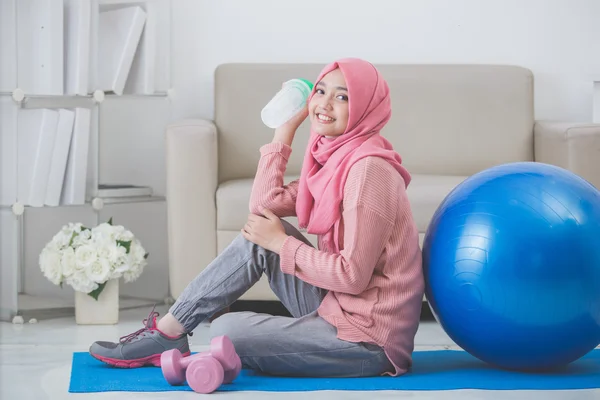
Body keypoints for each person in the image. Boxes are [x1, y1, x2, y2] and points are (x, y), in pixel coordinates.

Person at [89, 58, 425, 378]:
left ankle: (172, 334)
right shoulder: (336, 160)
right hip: (338, 307)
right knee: (258, 238)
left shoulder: (368, 171)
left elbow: (352, 276)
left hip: (367, 339)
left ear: (366, 107)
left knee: (227, 331)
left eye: (342, 97)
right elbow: (264, 204)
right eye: (320, 91)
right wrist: (284, 132)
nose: (324, 104)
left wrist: (280, 242)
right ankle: (168, 332)